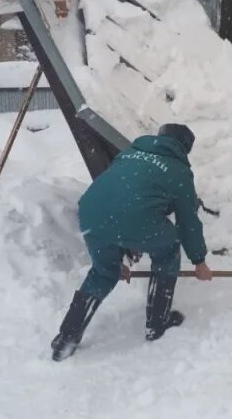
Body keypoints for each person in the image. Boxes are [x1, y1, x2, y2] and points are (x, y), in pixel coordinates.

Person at [51, 123, 213, 361]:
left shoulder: (129, 153)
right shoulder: (178, 171)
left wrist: (118, 258)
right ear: (185, 148)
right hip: (133, 218)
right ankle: (157, 323)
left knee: (104, 272)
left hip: (91, 214)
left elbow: (122, 200)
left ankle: (66, 339)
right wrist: (199, 261)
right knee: (168, 251)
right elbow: (187, 222)